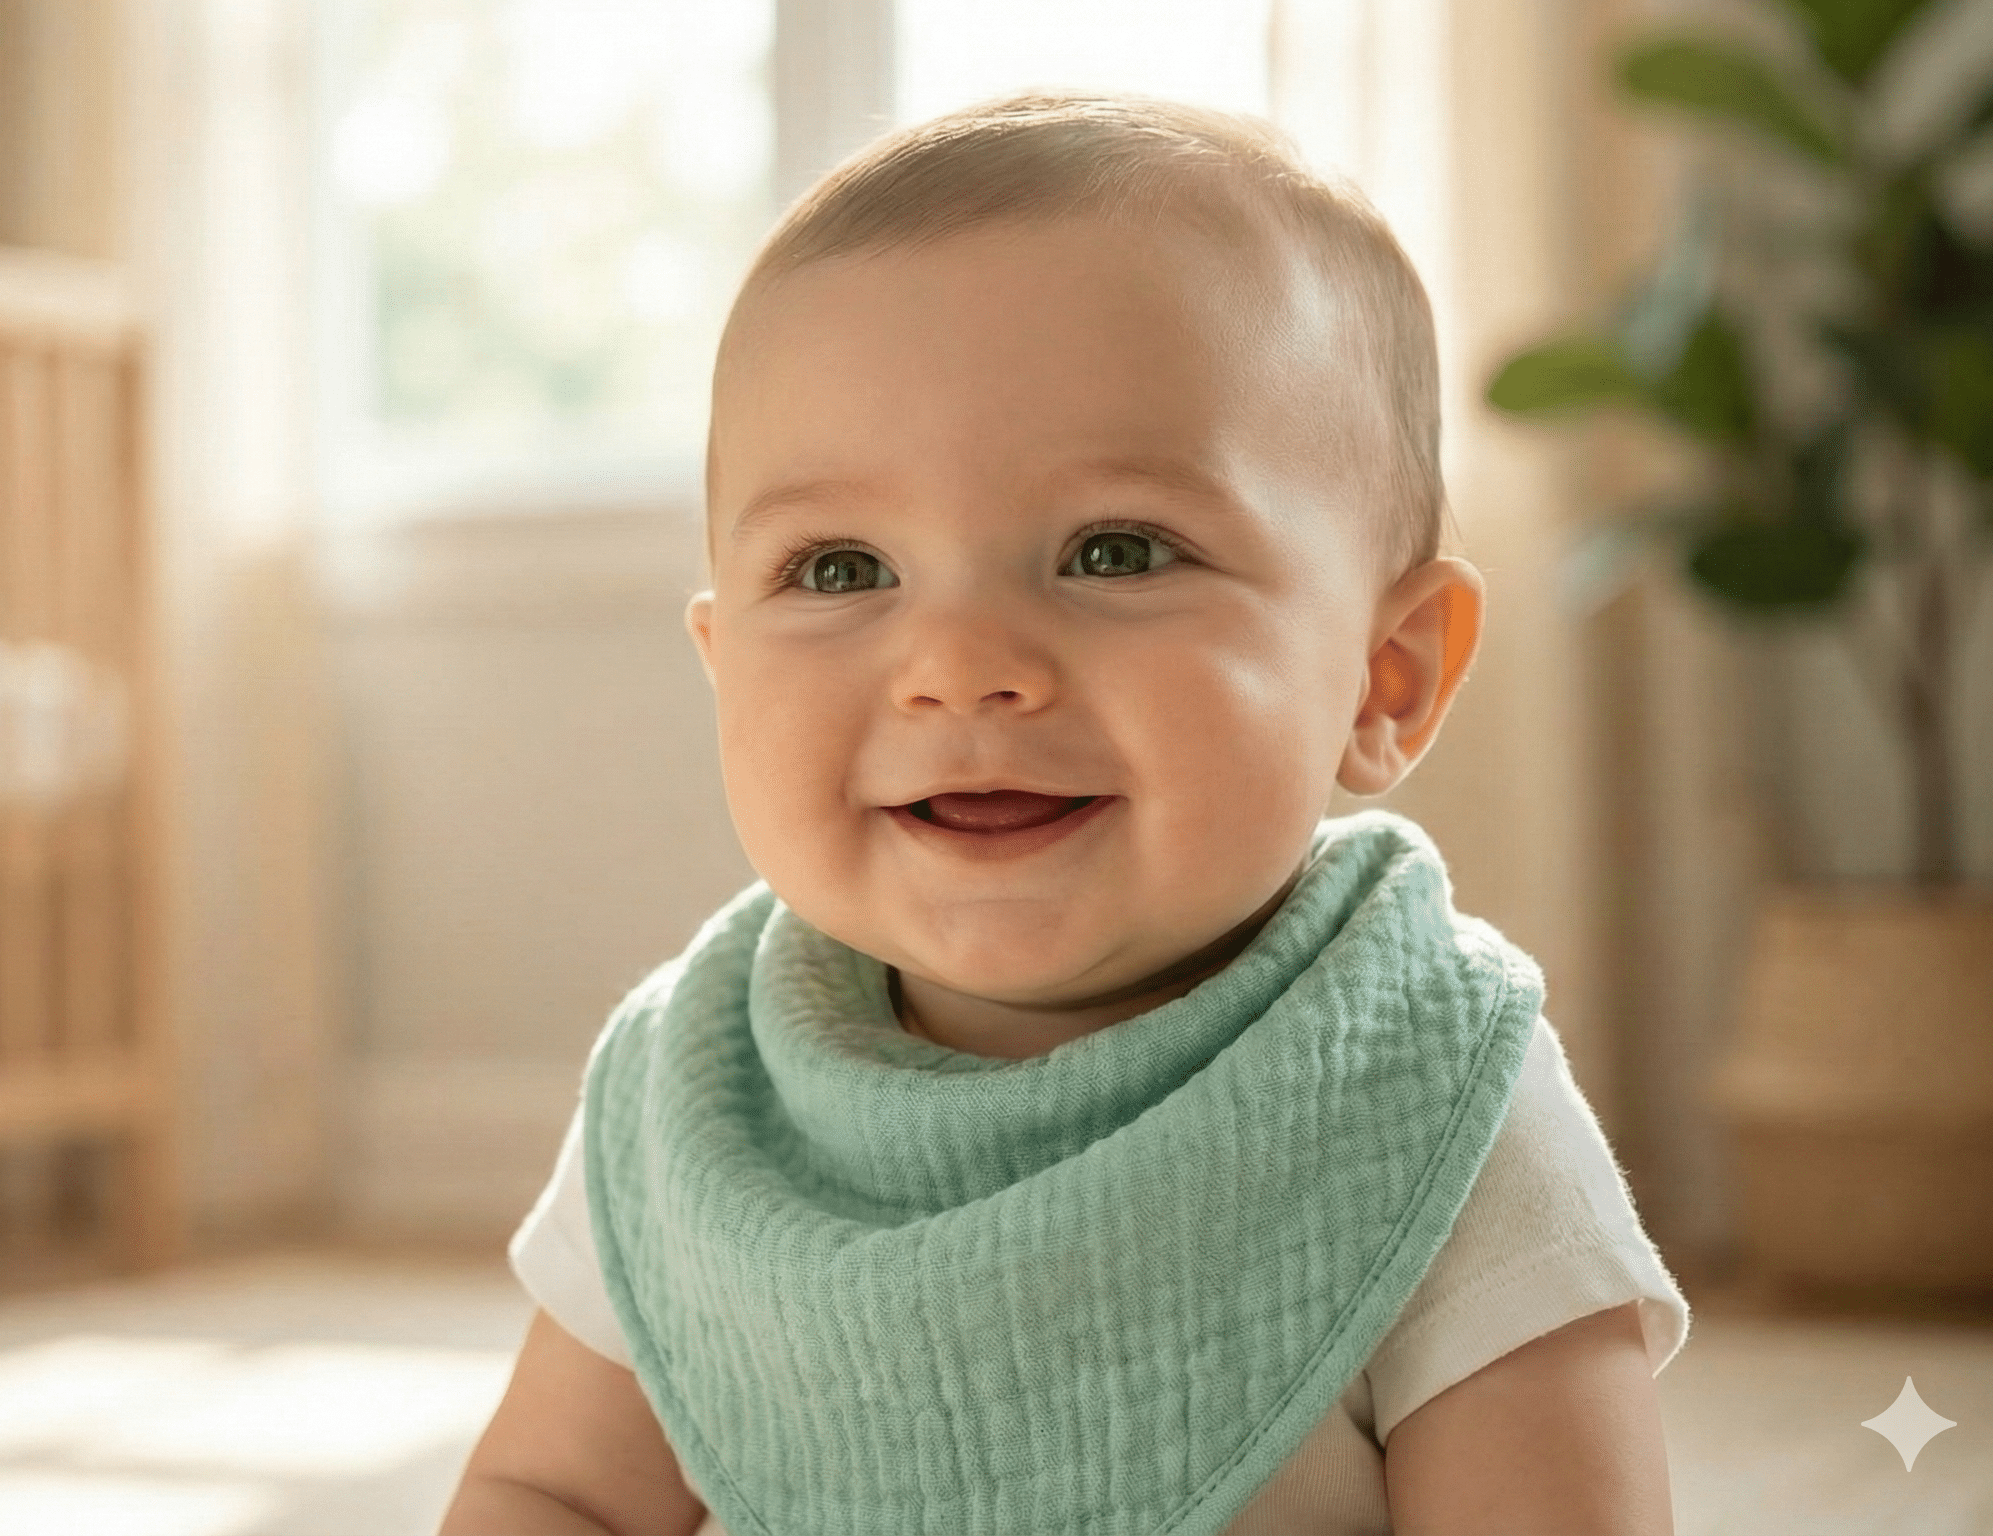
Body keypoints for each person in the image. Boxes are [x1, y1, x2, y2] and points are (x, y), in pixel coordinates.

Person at [440, 92, 1686, 1536]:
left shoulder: (1428, 1099)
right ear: (720, 668)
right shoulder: (696, 1099)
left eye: (1115, 550)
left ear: (1381, 678)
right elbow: (554, 1491)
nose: (962, 666)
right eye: (841, 569)